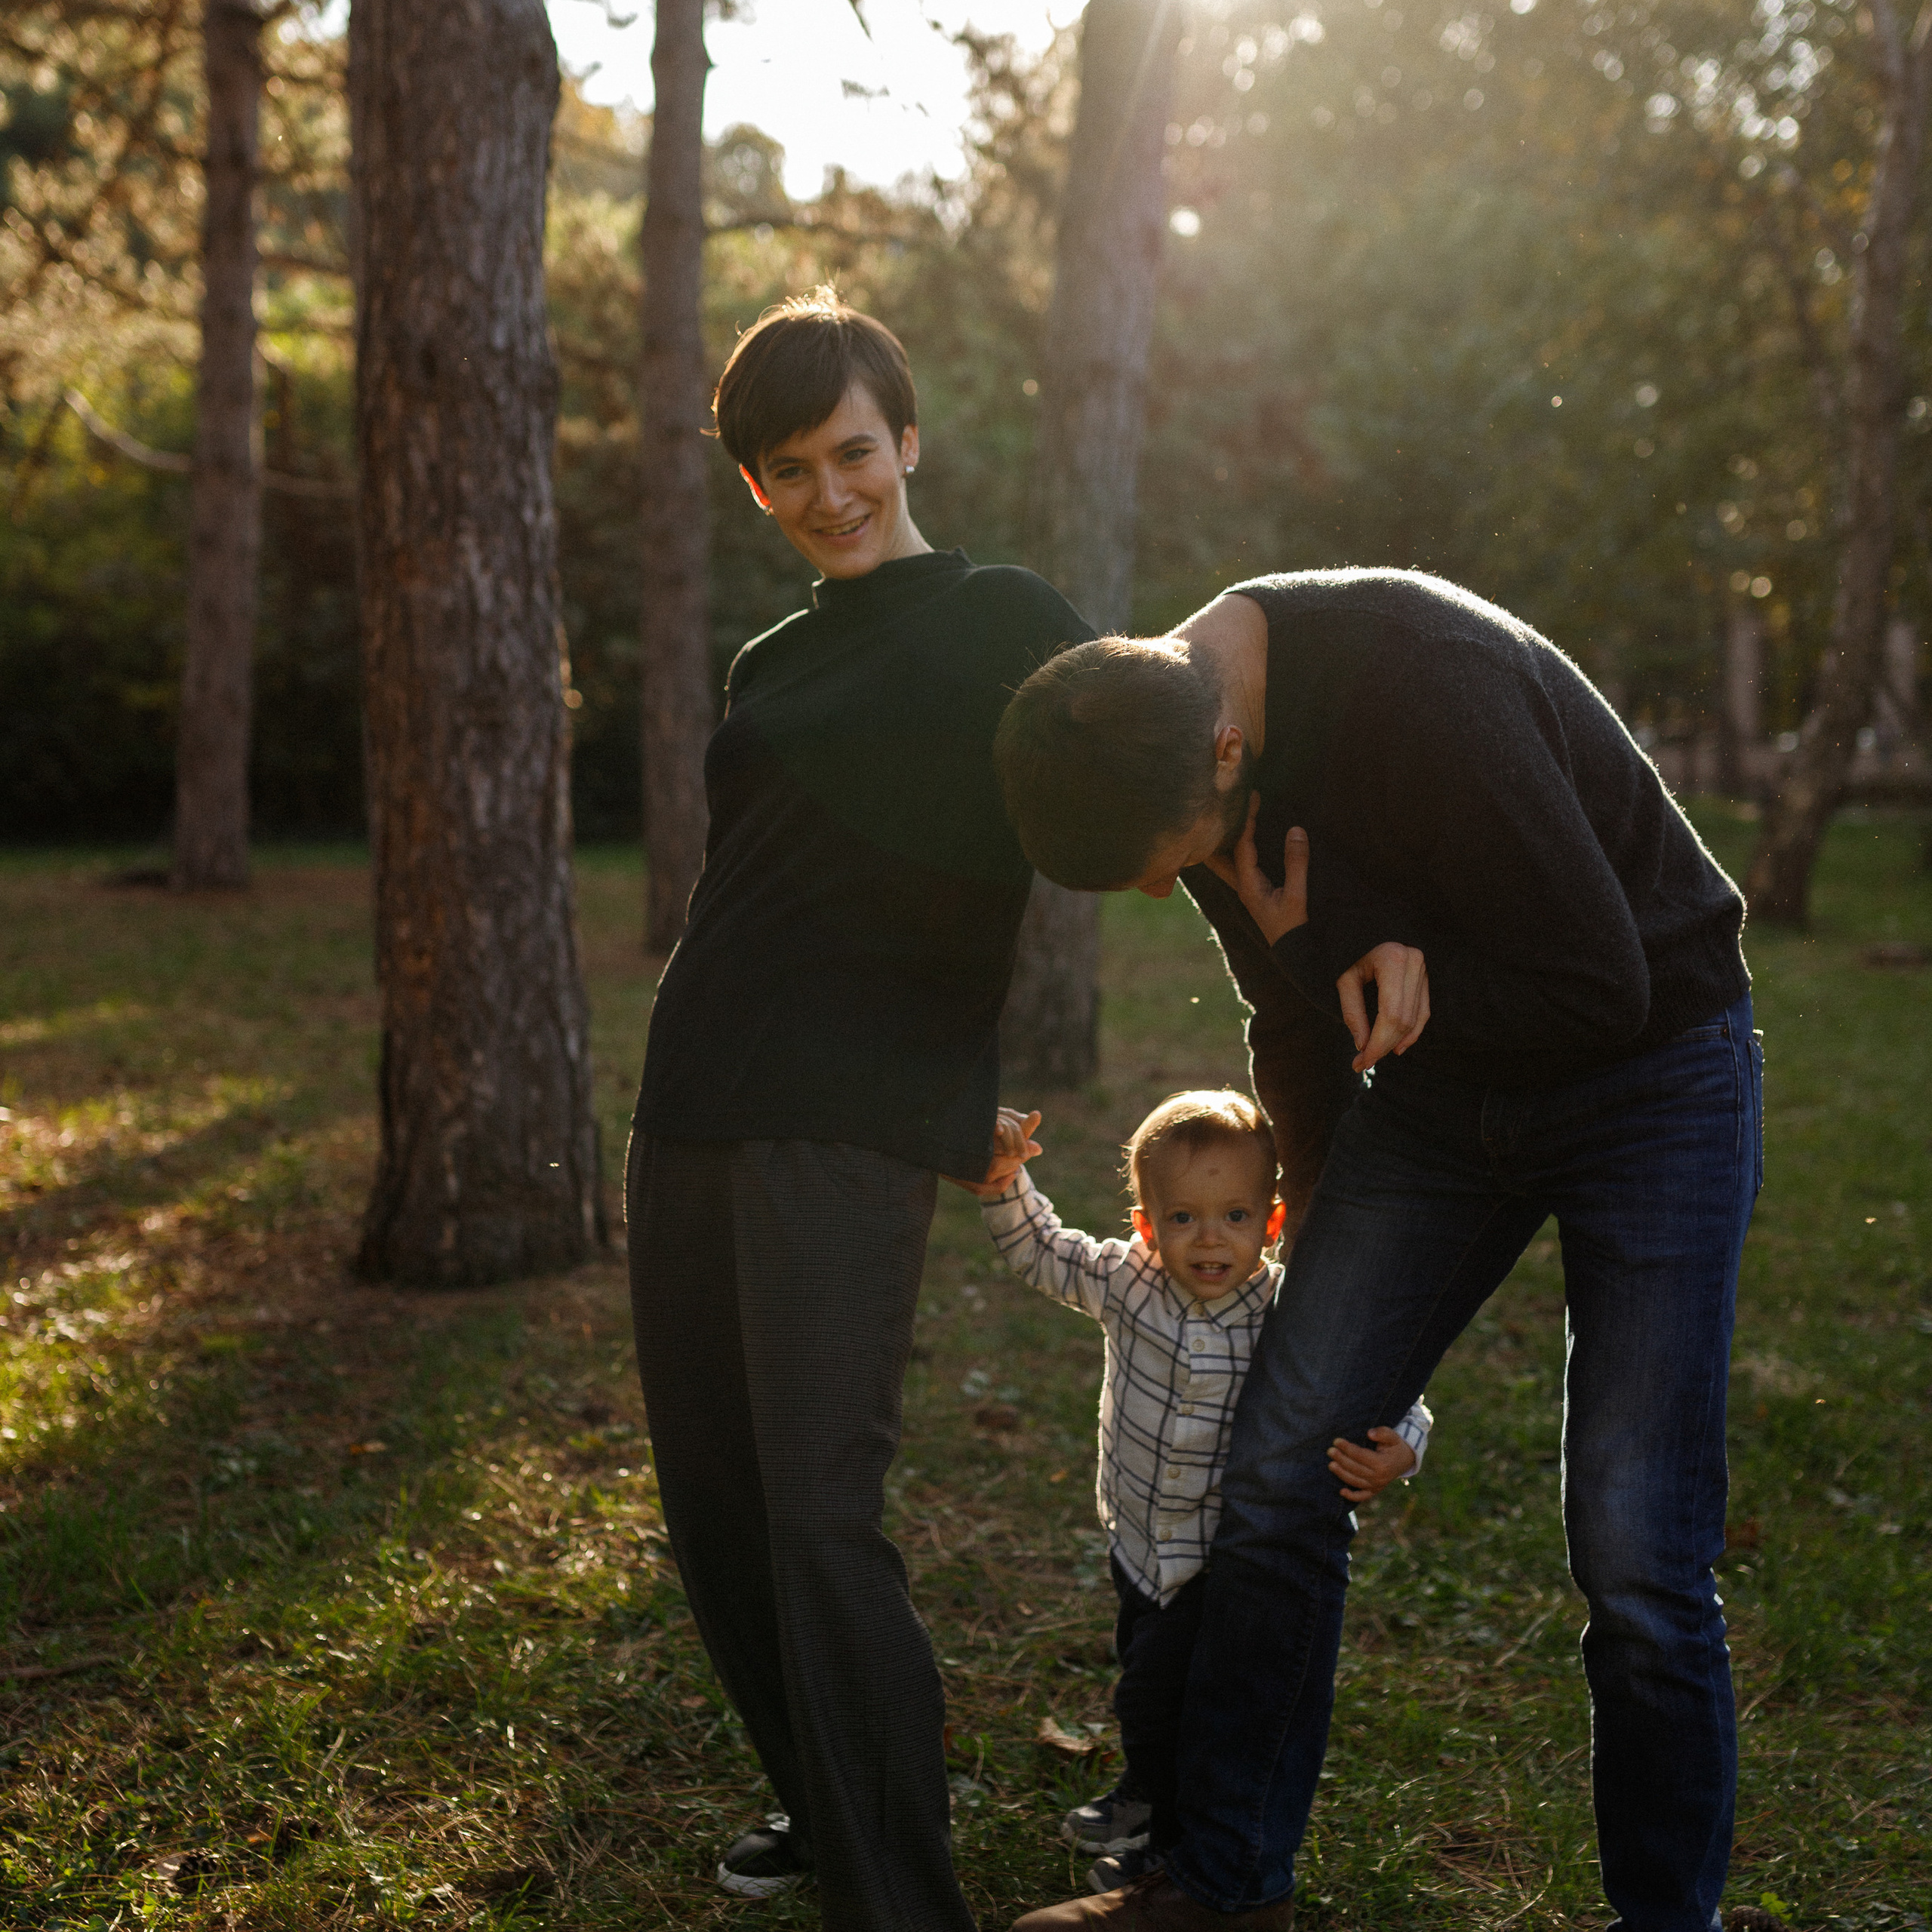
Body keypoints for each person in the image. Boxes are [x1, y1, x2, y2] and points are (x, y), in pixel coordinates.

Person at [992, 568, 1761, 1932]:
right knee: (1283, 1461)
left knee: (1636, 1548)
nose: (1178, 888)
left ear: (1228, 743)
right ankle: (1227, 1890)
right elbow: (1298, 1023)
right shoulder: (1178, 743)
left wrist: (1360, 955)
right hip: (1436, 1090)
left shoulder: (1425, 684)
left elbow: (1603, 985)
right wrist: (1350, 1288)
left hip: (1654, 1073)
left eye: (1175, 857)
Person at [625, 289, 1091, 1931]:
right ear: (751, 485)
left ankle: (900, 1896)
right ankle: (825, 1798)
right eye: (785, 468)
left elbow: (1161, 757)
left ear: (907, 440)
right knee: (723, 1508)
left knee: (820, 1511)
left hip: (852, 1113)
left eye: (850, 451)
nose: (827, 493)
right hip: (692, 1094)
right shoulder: (768, 655)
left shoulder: (999, 619)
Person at [968, 1093, 1431, 1896]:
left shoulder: (1292, 1307)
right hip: (1141, 1536)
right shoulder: (1126, 1280)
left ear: (1272, 1220)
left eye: (1234, 1214)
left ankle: (1172, 1840)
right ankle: (1144, 1790)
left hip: (1224, 1557)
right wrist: (1005, 1182)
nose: (1210, 1237)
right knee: (1143, 1684)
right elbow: (1042, 1251)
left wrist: (1405, 1446)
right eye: (1182, 1217)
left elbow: (1382, 1381)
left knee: (1201, 1702)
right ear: (1146, 1224)